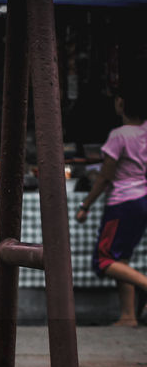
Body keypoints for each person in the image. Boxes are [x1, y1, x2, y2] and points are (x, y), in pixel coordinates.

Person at [75, 89, 147, 326]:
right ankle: (128, 316)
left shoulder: (119, 135)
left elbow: (105, 177)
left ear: (121, 104)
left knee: (103, 260)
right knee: (120, 258)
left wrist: (85, 204)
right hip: (141, 200)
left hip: (122, 202)